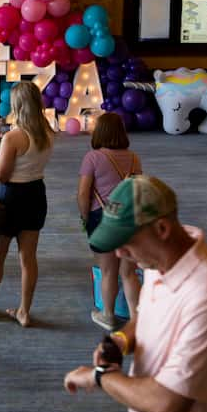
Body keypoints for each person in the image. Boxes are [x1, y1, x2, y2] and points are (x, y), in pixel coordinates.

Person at [63, 176, 207, 412]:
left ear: (162, 228)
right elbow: (145, 316)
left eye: (126, 240)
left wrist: (99, 377)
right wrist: (121, 340)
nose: (118, 253)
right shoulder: (158, 262)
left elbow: (168, 402)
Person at [0, 81, 54, 327]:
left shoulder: (13, 137)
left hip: (10, 197)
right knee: (28, 258)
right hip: (36, 194)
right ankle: (24, 312)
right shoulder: (48, 132)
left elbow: (1, 175)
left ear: (17, 106)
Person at [76, 112, 142, 331]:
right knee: (129, 272)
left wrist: (85, 218)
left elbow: (83, 194)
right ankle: (136, 319)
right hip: (129, 218)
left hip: (102, 219)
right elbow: (138, 189)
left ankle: (108, 315)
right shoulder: (134, 157)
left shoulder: (92, 157)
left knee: (108, 272)